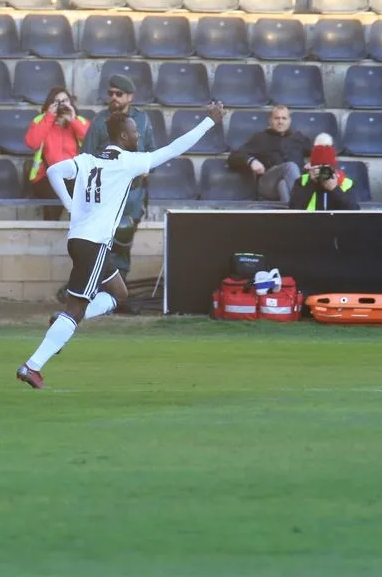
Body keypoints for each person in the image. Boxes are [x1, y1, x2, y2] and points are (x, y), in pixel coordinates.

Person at [16, 101, 226, 389]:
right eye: (135, 132)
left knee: (118, 292)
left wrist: (73, 208)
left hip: (81, 240)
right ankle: (33, 365)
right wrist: (209, 122)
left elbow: (53, 172)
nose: (138, 136)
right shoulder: (127, 163)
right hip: (93, 245)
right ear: (123, 137)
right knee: (76, 307)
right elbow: (174, 149)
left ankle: (62, 321)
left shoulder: (87, 160)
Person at [80, 74, 156, 280]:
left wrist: (147, 167)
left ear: (130, 97)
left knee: (123, 239)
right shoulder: (99, 121)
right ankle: (99, 286)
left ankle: (117, 291)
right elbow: (85, 157)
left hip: (133, 192)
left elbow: (151, 151)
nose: (113, 97)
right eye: (111, 93)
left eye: (119, 94)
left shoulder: (142, 120)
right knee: (104, 240)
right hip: (107, 192)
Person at [25, 86, 90, 220]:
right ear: (50, 104)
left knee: (83, 194)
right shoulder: (40, 120)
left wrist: (73, 121)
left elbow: (91, 142)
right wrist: (49, 117)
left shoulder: (80, 121)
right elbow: (32, 143)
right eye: (57, 102)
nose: (61, 105)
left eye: (65, 101)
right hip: (45, 176)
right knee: (55, 194)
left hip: (74, 175)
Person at [228, 105, 311, 203]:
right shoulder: (260, 137)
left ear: (289, 121)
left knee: (283, 184)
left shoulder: (298, 137)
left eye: (284, 118)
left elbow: (317, 150)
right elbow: (234, 157)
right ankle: (304, 205)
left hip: (291, 183)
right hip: (268, 183)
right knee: (290, 167)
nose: (280, 122)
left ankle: (293, 215)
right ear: (270, 120)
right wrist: (251, 161)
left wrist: (314, 162)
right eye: (277, 118)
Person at [288, 133, 360, 211]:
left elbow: (354, 211)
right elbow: (293, 209)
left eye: (326, 167)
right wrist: (311, 184)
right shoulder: (302, 181)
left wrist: (335, 189)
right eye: (318, 166)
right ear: (312, 167)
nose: (323, 171)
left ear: (333, 168)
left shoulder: (346, 183)